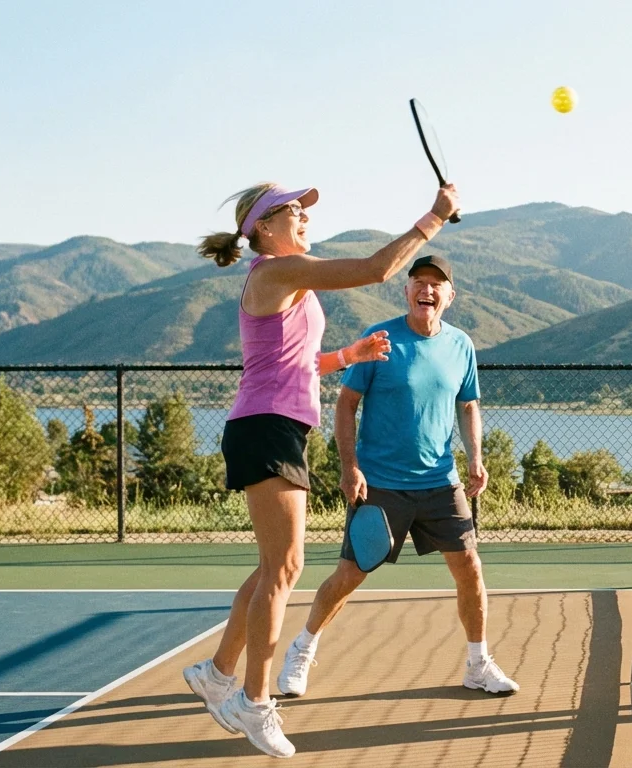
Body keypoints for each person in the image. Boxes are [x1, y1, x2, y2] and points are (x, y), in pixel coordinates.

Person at [183, 182, 460, 758]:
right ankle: (253, 702)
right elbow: (378, 270)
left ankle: (218, 674)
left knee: (271, 570)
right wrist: (433, 217)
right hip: (265, 427)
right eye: (292, 211)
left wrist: (347, 358)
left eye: (305, 210)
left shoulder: (286, 282)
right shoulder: (277, 271)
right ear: (263, 227)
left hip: (277, 426)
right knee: (284, 567)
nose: (305, 216)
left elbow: (293, 359)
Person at [274, 254, 519, 700]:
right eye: (418, 282)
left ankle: (478, 665)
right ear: (404, 291)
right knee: (349, 575)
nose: (427, 289)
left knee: (471, 570)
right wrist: (350, 468)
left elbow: (468, 406)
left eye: (436, 284)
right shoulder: (379, 339)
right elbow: (346, 404)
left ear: (450, 295)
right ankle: (302, 649)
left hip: (441, 482)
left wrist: (475, 458)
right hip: (381, 482)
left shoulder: (461, 345)